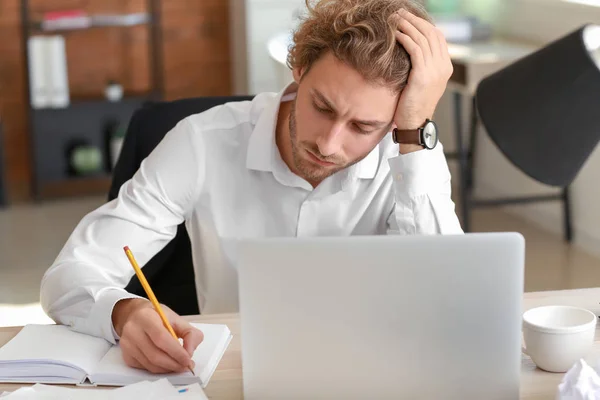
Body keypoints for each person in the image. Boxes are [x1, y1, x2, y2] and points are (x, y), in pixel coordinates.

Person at [40, 0, 462, 375]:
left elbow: (452, 305)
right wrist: (123, 312)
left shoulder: (409, 152)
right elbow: (68, 276)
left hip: (368, 372)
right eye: (322, 106)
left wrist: (413, 135)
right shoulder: (201, 141)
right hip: (228, 374)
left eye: (363, 126)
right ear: (298, 68)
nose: (329, 144)